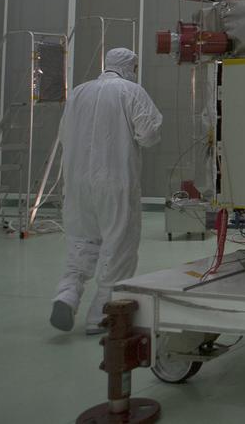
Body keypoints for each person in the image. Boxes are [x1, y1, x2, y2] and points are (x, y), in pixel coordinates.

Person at [50, 48, 163, 334]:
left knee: (82, 242)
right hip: (114, 181)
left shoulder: (78, 93)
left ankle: (67, 294)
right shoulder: (131, 91)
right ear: (129, 66)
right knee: (119, 245)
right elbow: (149, 135)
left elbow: (64, 134)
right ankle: (101, 314)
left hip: (76, 183)